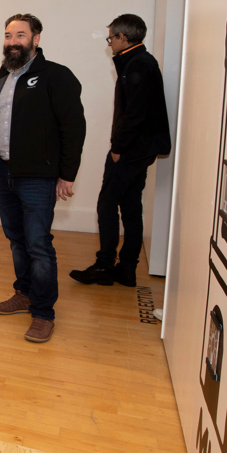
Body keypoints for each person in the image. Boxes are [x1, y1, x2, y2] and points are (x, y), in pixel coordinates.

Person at [0, 14, 86, 343]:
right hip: (5, 172)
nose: (12, 41)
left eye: (20, 35)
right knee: (16, 240)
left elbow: (74, 129)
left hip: (38, 178)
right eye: (8, 35)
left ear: (35, 39)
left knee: (39, 245)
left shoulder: (56, 76)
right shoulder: (2, 78)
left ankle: (43, 313)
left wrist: (67, 175)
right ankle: (23, 294)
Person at [70, 14, 170, 287]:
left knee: (106, 204)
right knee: (130, 206)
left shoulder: (137, 64)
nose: (110, 43)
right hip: (141, 150)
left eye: (111, 38)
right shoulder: (140, 62)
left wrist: (117, 148)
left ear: (123, 38)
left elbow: (135, 115)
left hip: (131, 150)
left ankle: (104, 267)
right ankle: (126, 269)